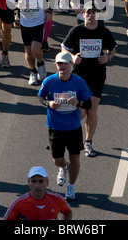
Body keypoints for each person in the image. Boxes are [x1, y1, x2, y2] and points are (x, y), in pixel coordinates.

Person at [61, 3, 117, 157]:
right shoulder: (76, 31)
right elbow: (64, 47)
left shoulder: (103, 32)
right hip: (79, 76)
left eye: (93, 12)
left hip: (97, 75)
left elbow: (113, 49)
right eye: (87, 12)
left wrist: (108, 57)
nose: (90, 15)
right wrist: (72, 57)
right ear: (83, 14)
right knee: (80, 113)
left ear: (97, 15)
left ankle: (88, 142)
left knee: (92, 110)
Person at [38, 50, 92, 200]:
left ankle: (71, 186)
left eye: (65, 63)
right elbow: (40, 97)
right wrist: (49, 103)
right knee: (57, 160)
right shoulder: (49, 81)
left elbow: (88, 102)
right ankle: (63, 166)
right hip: (55, 127)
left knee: (75, 158)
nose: (62, 67)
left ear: (71, 64)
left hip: (74, 127)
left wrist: (78, 102)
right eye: (59, 63)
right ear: (56, 65)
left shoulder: (79, 82)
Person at [6, 0, 51, 85]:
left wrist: (49, 12)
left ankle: (41, 63)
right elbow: (9, 1)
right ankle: (33, 72)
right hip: (25, 23)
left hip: (38, 22)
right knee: (28, 51)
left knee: (36, 50)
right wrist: (17, 6)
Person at [3, 165, 72, 220]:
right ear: (28, 182)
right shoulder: (18, 203)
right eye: (33, 181)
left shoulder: (57, 199)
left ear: (47, 182)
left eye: (41, 181)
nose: (37, 186)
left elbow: (68, 212)